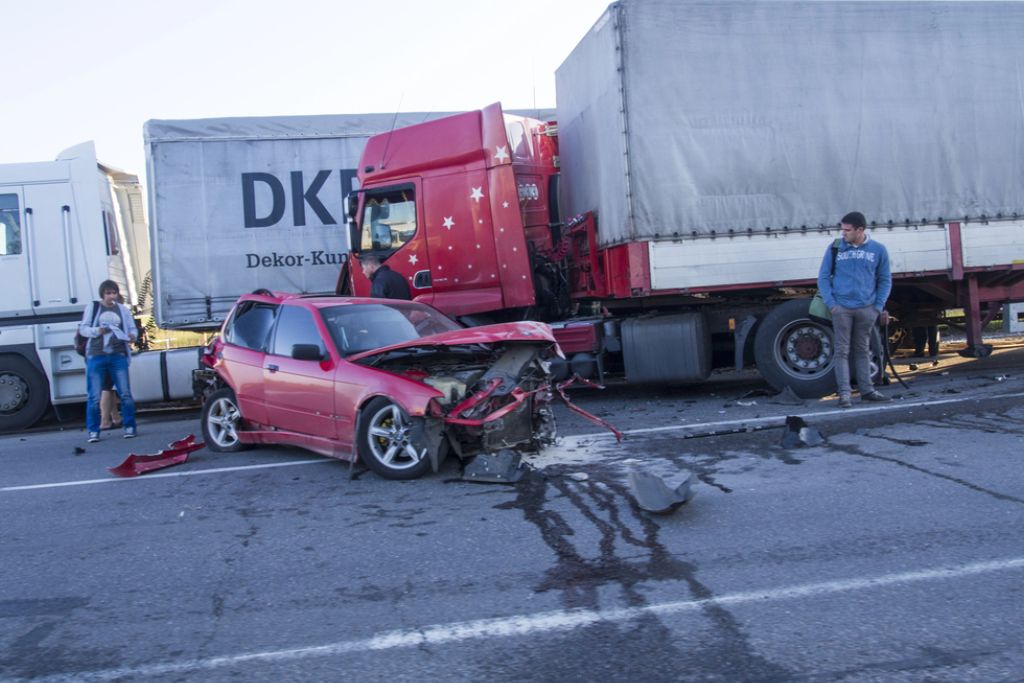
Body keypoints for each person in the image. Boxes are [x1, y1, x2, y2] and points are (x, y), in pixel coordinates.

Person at [817, 211, 892, 408]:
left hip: (867, 308)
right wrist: (832, 304)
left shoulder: (878, 250)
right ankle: (844, 395)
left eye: (847, 230)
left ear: (860, 230)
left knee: (862, 350)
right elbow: (823, 277)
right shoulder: (835, 248)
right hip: (842, 308)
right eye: (842, 229)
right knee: (841, 351)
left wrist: (877, 307)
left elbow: (885, 279)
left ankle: (867, 390)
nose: (843, 234)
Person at [80, 280, 138, 442]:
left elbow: (132, 328)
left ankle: (130, 426)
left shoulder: (122, 310)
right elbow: (83, 329)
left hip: (117, 354)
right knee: (94, 395)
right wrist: (98, 330)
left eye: (113, 293)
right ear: (102, 294)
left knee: (125, 393)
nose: (111, 296)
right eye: (108, 293)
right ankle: (93, 430)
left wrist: (132, 336)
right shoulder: (94, 308)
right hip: (96, 354)